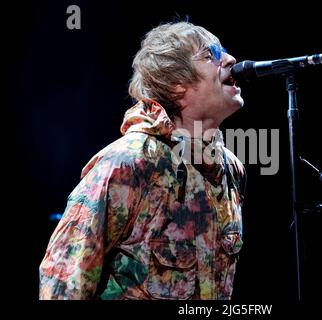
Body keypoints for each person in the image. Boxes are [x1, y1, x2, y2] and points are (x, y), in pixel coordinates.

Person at [39, 21, 246, 300]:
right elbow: (64, 284)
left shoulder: (231, 170)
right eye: (210, 55)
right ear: (175, 85)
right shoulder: (127, 164)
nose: (230, 60)